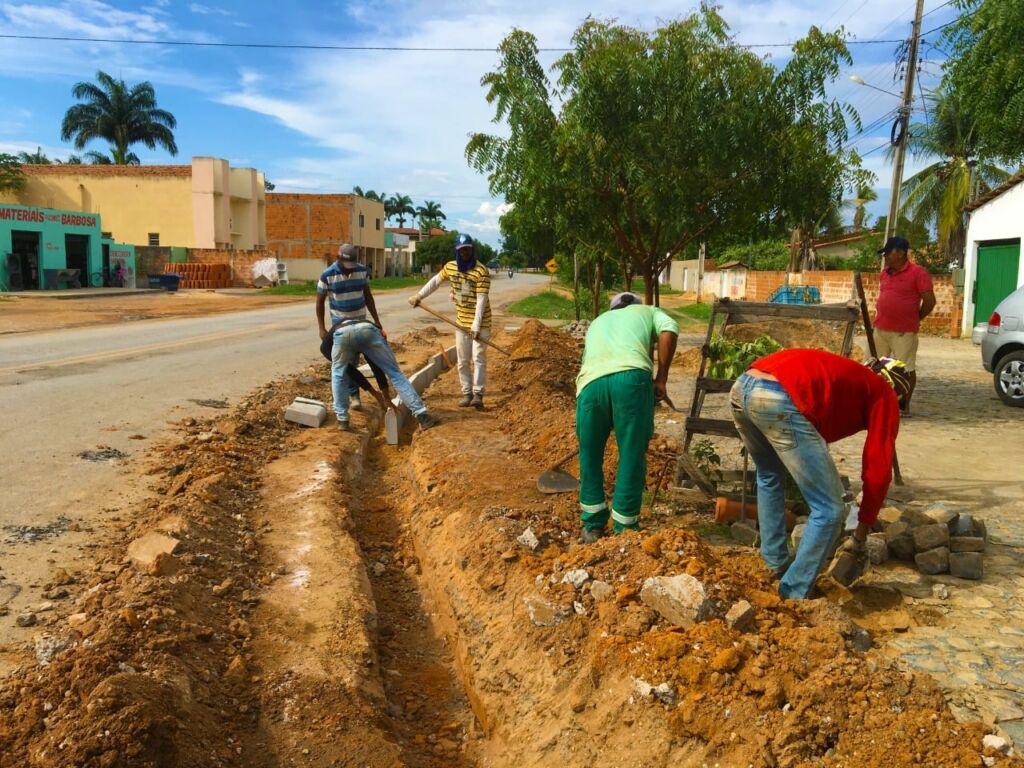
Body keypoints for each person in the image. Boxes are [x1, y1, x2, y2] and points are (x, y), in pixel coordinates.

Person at [729, 349, 911, 599]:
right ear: (899, 393)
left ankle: (774, 565)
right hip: (777, 398)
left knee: (769, 476)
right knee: (829, 509)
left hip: (743, 386)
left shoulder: (851, 377)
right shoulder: (884, 393)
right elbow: (878, 468)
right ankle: (793, 593)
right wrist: (861, 533)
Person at [575, 292, 678, 543]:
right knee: (631, 453)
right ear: (636, 306)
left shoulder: (599, 321)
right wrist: (661, 377)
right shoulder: (648, 311)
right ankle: (624, 527)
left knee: (589, 453)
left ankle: (592, 525)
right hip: (630, 380)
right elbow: (670, 330)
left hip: (589, 385)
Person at [316, 244, 438, 431]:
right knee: (395, 372)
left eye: (351, 264)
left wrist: (323, 328)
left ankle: (342, 419)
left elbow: (364, 297)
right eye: (345, 264)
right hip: (364, 328)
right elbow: (323, 302)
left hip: (343, 331)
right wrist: (376, 323)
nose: (348, 268)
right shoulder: (331, 274)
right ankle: (422, 415)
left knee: (338, 373)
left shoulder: (348, 272)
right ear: (338, 258)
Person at [408, 233, 491, 409]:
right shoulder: (451, 267)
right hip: (461, 322)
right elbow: (435, 281)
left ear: (472, 249)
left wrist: (476, 326)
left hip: (481, 322)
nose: (464, 253)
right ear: (456, 251)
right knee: (462, 360)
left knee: (478, 358)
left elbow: (481, 300)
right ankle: (467, 393)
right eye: (461, 250)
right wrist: (419, 295)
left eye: (467, 249)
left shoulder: (481, 271)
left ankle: (478, 394)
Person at [873, 235, 936, 414]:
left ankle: (903, 405)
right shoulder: (884, 273)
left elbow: (930, 301)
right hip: (881, 328)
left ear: (900, 253)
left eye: (888, 253)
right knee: (877, 367)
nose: (885, 257)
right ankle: (878, 403)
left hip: (904, 331)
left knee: (905, 369)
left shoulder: (918, 273)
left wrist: (916, 318)